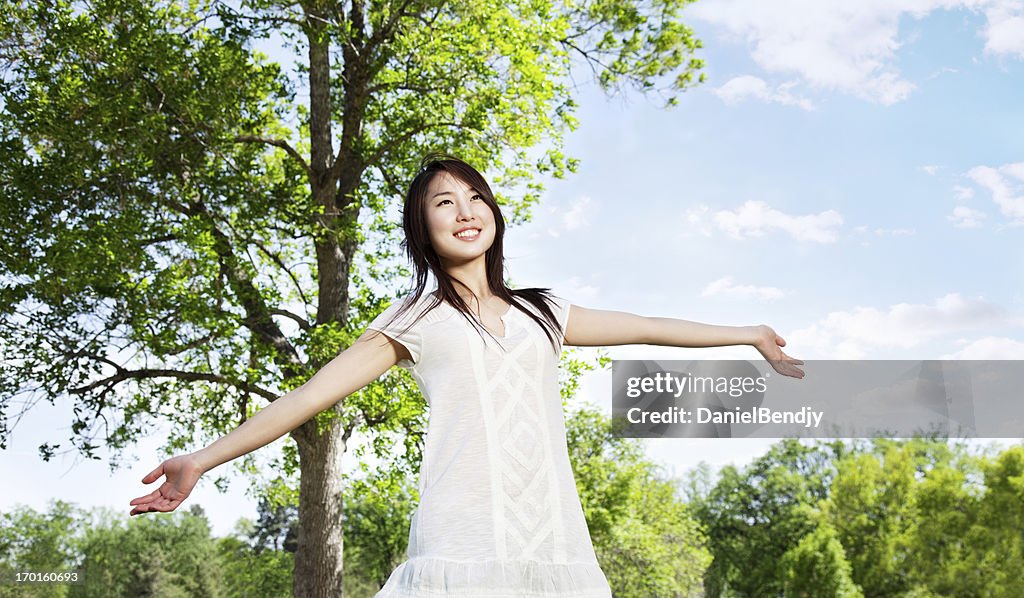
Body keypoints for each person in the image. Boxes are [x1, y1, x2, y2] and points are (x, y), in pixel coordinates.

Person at [129, 155, 805, 596]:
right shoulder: (415, 316)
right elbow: (309, 396)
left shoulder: (545, 310)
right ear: (424, 230)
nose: (465, 211)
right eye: (444, 203)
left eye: (475, 197)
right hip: (462, 540)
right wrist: (203, 460)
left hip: (553, 540)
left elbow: (651, 326)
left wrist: (745, 333)